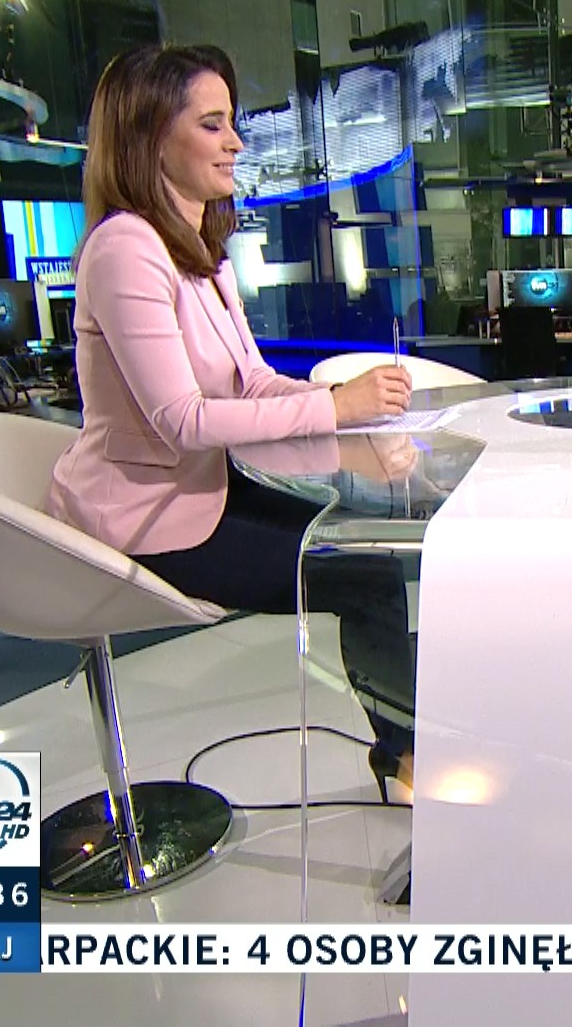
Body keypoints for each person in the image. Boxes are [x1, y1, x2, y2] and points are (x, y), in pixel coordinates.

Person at [43, 43, 420, 795]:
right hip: (144, 516)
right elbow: (181, 420)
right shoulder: (124, 249)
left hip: (203, 490)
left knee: (374, 559)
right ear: (152, 137)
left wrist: (348, 432)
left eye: (231, 123)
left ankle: (407, 752)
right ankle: (411, 761)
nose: (236, 143)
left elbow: (252, 383)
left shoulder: (200, 253)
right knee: (367, 579)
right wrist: (335, 408)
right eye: (212, 125)